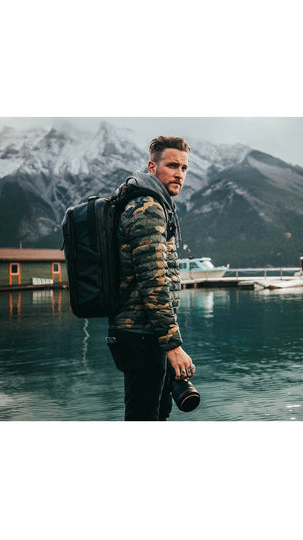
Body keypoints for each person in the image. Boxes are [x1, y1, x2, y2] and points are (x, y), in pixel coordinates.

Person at [107, 136, 195, 421]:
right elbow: (153, 281)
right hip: (142, 335)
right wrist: (173, 346)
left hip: (144, 333)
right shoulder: (148, 207)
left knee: (155, 414)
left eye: (184, 168)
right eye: (172, 166)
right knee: (144, 417)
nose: (179, 174)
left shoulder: (152, 202)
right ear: (152, 167)